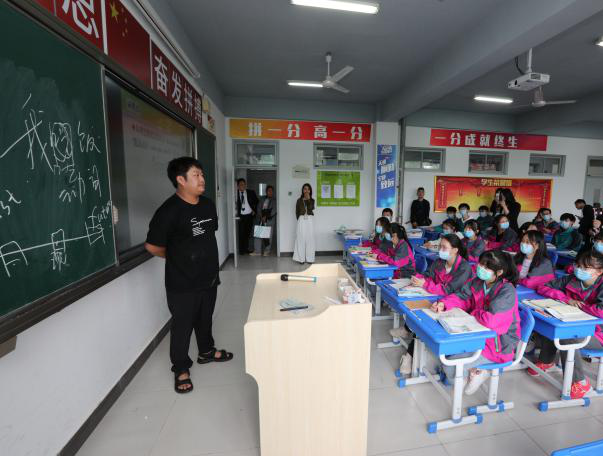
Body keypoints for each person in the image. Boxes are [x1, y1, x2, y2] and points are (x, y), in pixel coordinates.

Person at [145, 157, 233, 395]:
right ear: (180, 180)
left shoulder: (207, 205)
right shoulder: (168, 211)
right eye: (196, 175)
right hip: (181, 281)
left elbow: (208, 234)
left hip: (208, 276)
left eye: (202, 174)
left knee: (205, 318)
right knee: (182, 325)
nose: (202, 179)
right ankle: (181, 368)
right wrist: (177, 258)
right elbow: (152, 246)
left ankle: (206, 351)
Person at [432, 250, 521, 395]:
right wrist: (444, 304)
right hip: (476, 334)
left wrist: (473, 312)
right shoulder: (478, 282)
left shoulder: (507, 291)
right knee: (447, 355)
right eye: (481, 264)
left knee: (451, 365)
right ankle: (472, 373)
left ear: (499, 272)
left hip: (498, 344)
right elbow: (462, 297)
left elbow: (491, 321)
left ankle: (480, 373)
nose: (480, 268)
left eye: (486, 267)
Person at [393, 234, 472, 375]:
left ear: (455, 250)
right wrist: (418, 279)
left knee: (423, 320)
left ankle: (410, 355)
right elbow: (428, 274)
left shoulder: (464, 268)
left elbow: (449, 290)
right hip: (436, 298)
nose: (440, 250)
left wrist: (425, 285)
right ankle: (408, 330)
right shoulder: (440, 261)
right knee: (416, 312)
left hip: (453, 304)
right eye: (440, 246)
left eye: (444, 247)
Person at [531, 251, 603, 399]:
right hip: (575, 323)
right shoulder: (571, 279)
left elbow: (600, 311)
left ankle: (580, 382)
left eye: (586, 268)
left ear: (599, 271)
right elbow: (543, 287)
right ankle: (546, 360)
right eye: (578, 266)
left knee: (567, 336)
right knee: (553, 324)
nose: (580, 270)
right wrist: (566, 300)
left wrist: (581, 307)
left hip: (598, 334)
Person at [293, 183, 316, 264]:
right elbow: (297, 212)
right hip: (301, 220)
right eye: (305, 189)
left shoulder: (312, 200)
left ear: (310, 191)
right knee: (301, 238)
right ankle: (301, 259)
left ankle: (310, 259)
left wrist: (308, 199)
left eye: (308, 189)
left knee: (310, 238)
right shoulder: (299, 200)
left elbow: (311, 208)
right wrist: (300, 219)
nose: (306, 190)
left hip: (309, 220)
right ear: (303, 190)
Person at [235, 178, 259, 255]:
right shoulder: (235, 194)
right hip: (241, 216)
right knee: (241, 233)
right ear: (238, 186)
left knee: (248, 233)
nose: (242, 186)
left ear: (245, 185)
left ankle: (247, 249)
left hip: (249, 216)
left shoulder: (251, 192)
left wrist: (254, 210)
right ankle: (241, 250)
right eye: (240, 185)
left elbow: (257, 202)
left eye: (243, 184)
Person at [253, 185, 277, 257]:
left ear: (273, 192)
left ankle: (267, 251)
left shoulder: (275, 200)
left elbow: (274, 210)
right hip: (261, 220)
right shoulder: (262, 199)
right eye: (268, 191)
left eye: (271, 191)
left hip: (270, 221)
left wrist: (266, 217)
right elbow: (258, 208)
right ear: (266, 192)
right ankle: (257, 251)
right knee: (258, 235)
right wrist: (261, 216)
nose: (270, 192)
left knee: (268, 237)